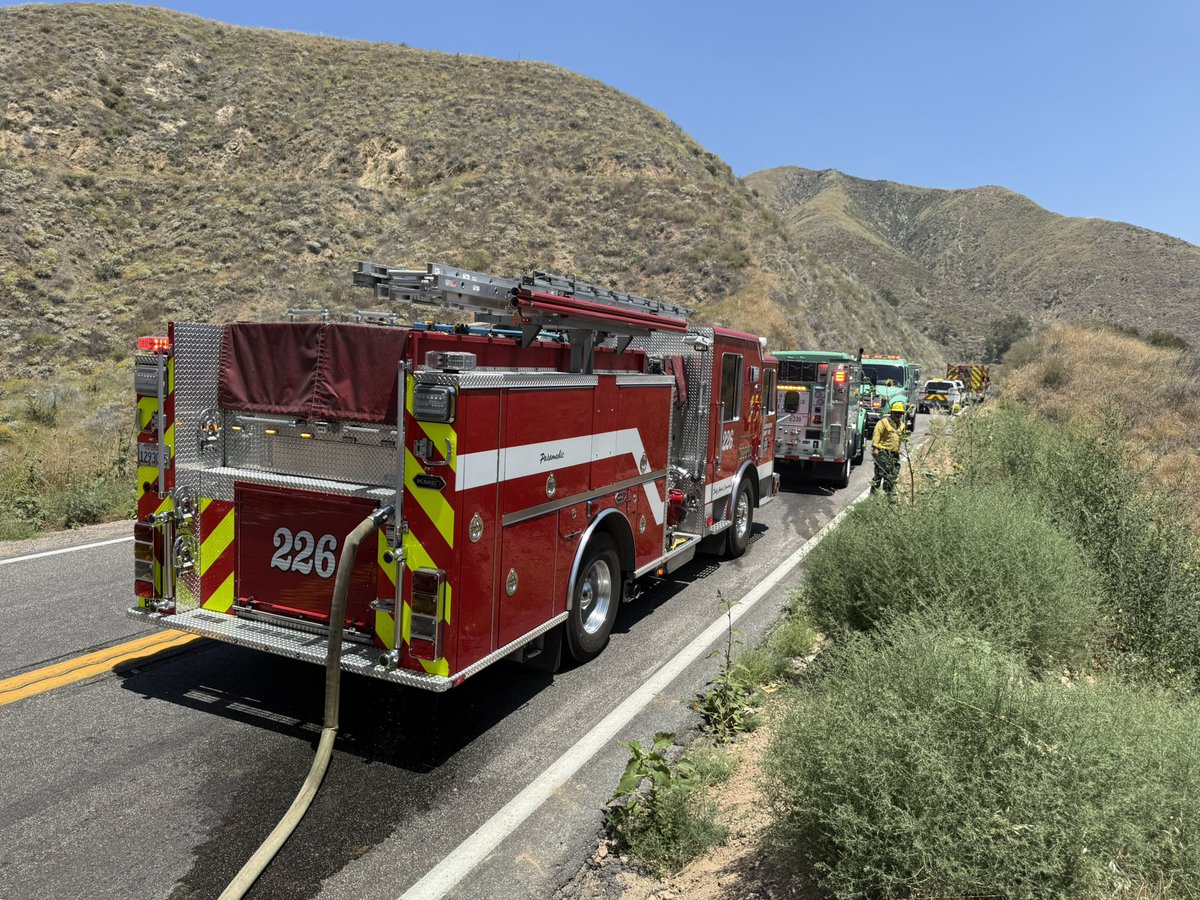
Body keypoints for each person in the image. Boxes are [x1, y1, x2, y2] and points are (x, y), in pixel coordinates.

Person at [871, 400, 907, 496]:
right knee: (879, 475)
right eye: (896, 413)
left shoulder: (902, 425)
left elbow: (902, 438)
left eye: (900, 413)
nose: (898, 415)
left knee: (891, 476)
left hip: (894, 454)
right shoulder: (883, 422)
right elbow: (876, 434)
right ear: (891, 412)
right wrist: (875, 448)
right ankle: (873, 497)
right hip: (883, 452)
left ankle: (889, 497)